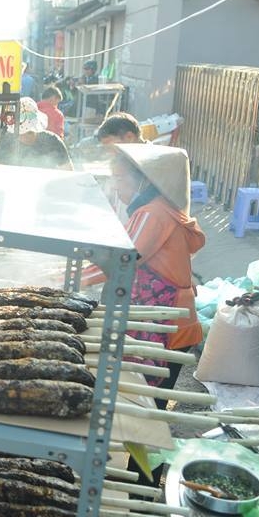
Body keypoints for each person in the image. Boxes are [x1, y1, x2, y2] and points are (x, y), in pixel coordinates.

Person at [83, 144, 205, 407]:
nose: (115, 186)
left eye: (119, 178)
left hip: (169, 325)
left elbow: (122, 260)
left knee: (148, 409)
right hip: (165, 321)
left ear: (143, 182)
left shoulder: (153, 213)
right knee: (147, 405)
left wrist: (62, 278)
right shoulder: (154, 209)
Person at [0, 97, 73, 171]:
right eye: (19, 133)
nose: (24, 137)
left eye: (29, 132)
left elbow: (68, 170)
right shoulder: (7, 142)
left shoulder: (52, 141)